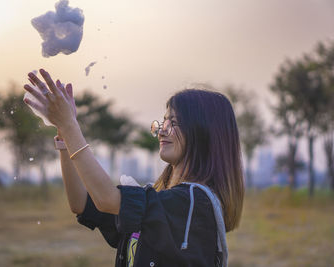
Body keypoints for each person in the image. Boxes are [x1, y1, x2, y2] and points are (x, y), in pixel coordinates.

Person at [23, 69, 245, 267]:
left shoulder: (194, 202)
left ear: (203, 132)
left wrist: (70, 126)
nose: (162, 131)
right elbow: (81, 203)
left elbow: (106, 198)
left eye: (174, 123)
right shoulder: (163, 200)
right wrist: (64, 135)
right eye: (164, 122)